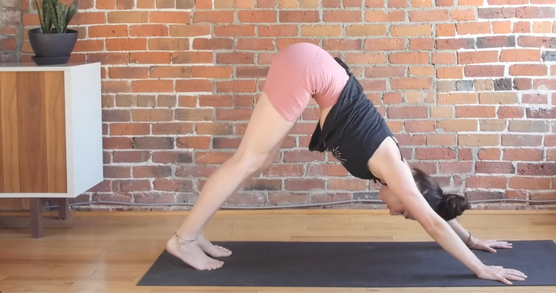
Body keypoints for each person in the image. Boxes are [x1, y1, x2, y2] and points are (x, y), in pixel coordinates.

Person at [166, 42, 527, 285]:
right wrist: (480, 269)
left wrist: (471, 237)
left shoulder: (397, 172)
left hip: (309, 69)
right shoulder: (396, 171)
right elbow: (431, 222)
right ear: (411, 194)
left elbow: (433, 211)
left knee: (259, 160)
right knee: (247, 160)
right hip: (307, 70)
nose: (393, 212)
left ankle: (195, 235)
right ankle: (183, 239)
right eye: (403, 212)